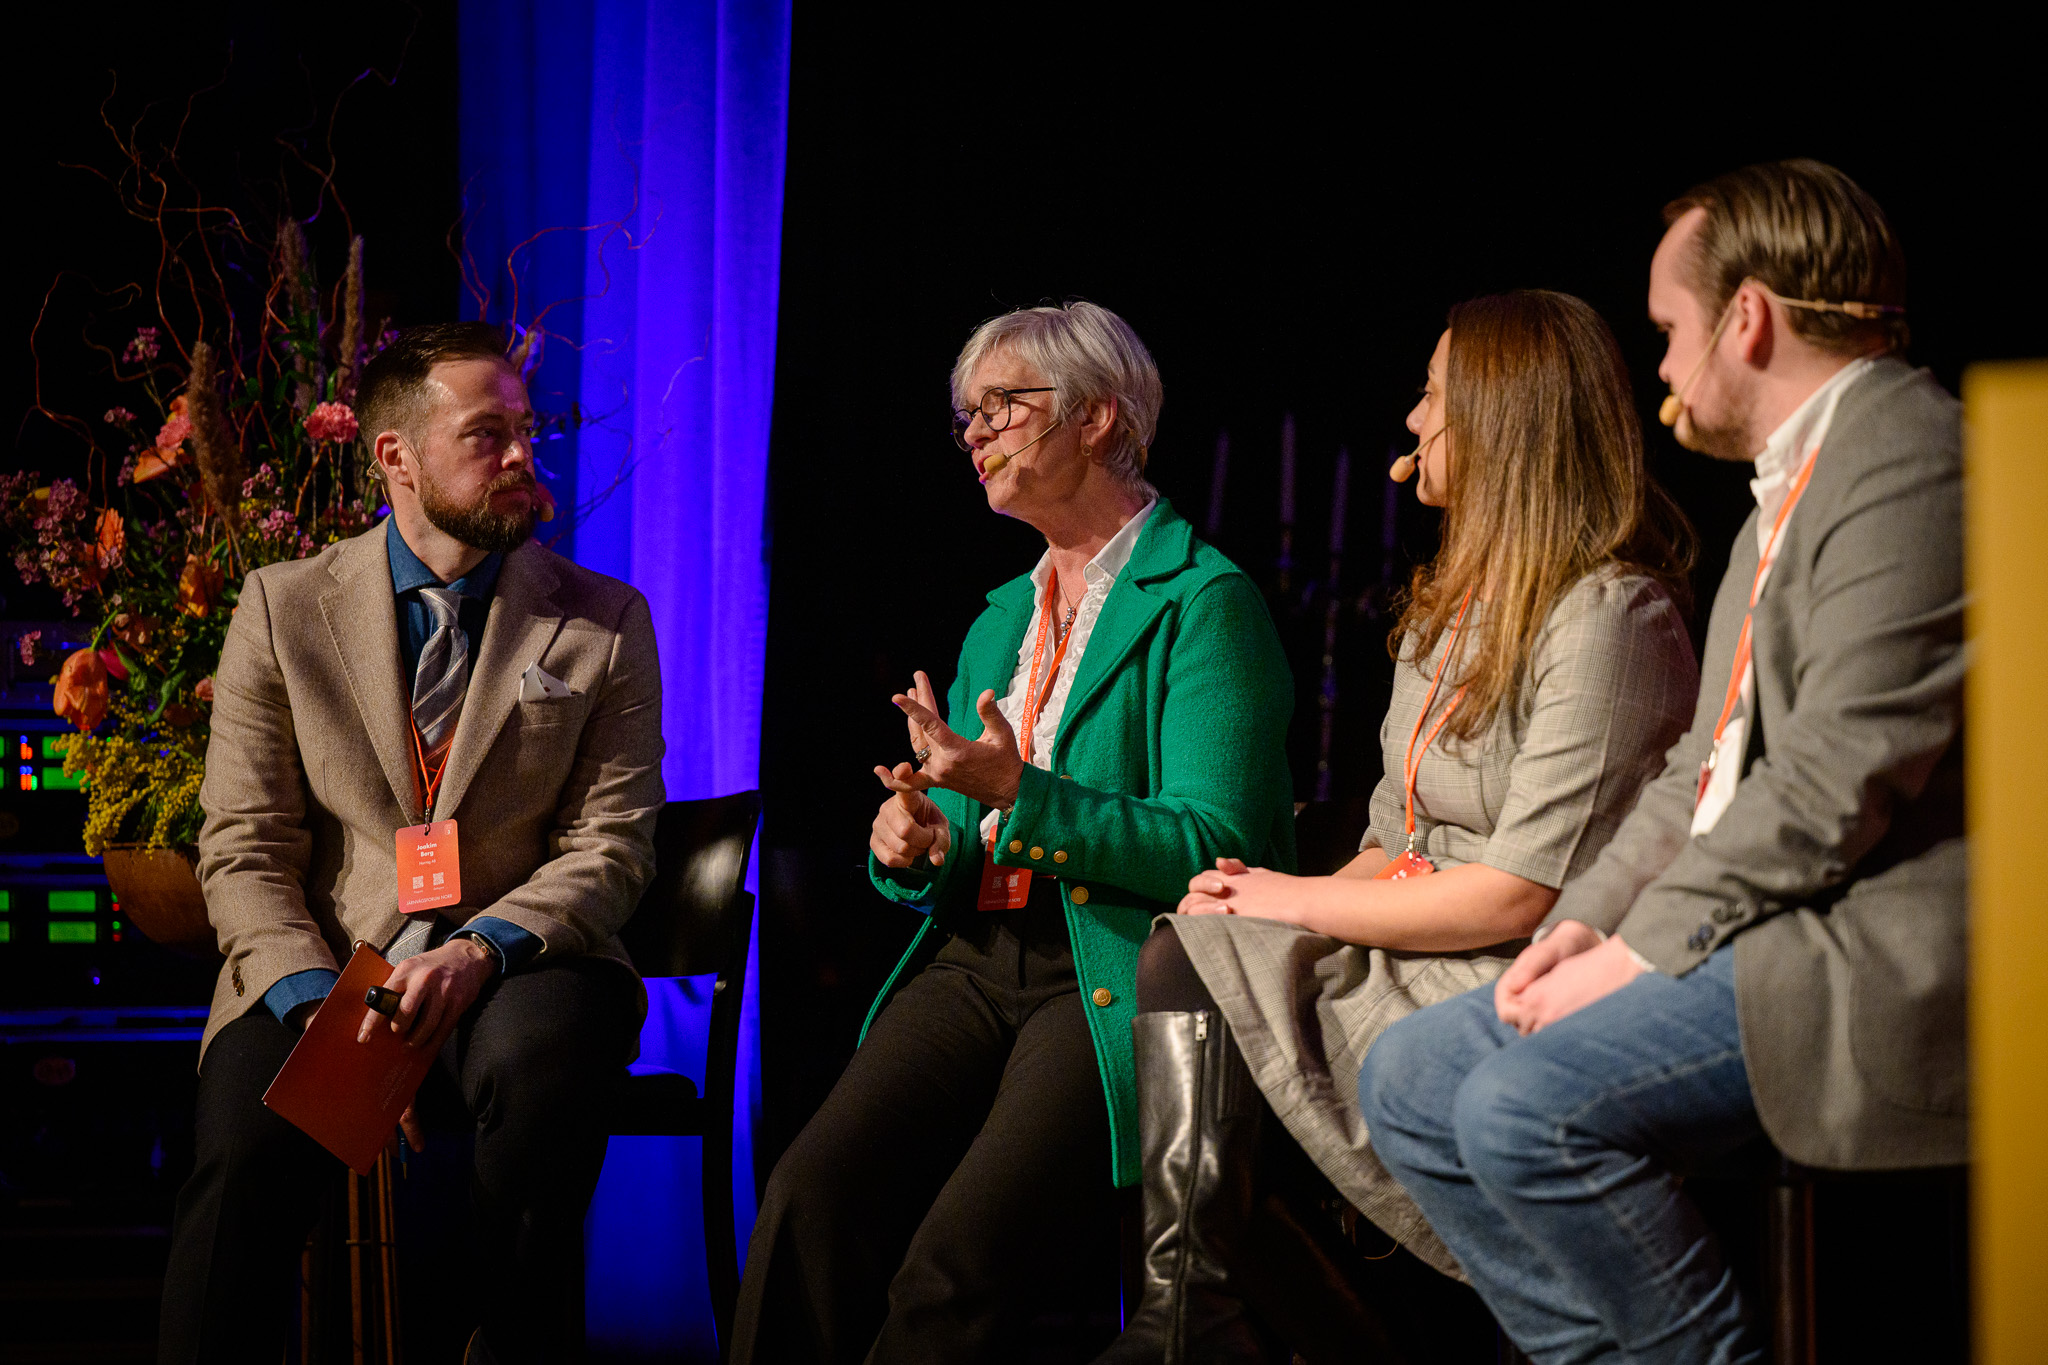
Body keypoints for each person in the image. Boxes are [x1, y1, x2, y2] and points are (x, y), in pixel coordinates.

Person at [1360, 160, 1963, 1365]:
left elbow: (1828, 784)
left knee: (1520, 1109)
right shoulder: (1789, 486)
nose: (1662, 367)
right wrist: (1578, 929)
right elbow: (1700, 765)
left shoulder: (1909, 460)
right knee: (1411, 1079)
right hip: (1758, 926)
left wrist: (1639, 950)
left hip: (1860, 951)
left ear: (1747, 319)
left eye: (1668, 331)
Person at [1095, 291, 1700, 1364]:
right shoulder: (1448, 614)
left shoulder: (1611, 617)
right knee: (1192, 946)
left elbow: (1521, 890)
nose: (1414, 419)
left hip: (1524, 965)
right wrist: (1247, 900)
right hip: (1423, 936)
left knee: (1227, 983)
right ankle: (1192, 1314)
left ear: (1499, 420)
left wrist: (1284, 895)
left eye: (1432, 395)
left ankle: (1234, 1328)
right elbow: (1393, 841)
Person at [729, 301, 1296, 1363]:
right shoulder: (1001, 617)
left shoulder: (1203, 601)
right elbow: (962, 822)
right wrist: (916, 843)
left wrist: (1020, 796)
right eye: (967, 415)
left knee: (952, 1269)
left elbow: (1216, 845)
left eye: (1001, 405)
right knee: (810, 1195)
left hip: (1113, 967)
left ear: (1097, 416)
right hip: (976, 957)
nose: (976, 433)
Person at [157, 322, 665, 1365]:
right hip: (328, 962)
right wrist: (321, 1007)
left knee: (541, 1066)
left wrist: (479, 952)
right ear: (395, 455)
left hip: (519, 959)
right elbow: (244, 842)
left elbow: (610, 844)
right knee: (242, 1152)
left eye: (526, 430)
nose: (522, 455)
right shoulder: (283, 606)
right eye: (487, 435)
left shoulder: (604, 620)